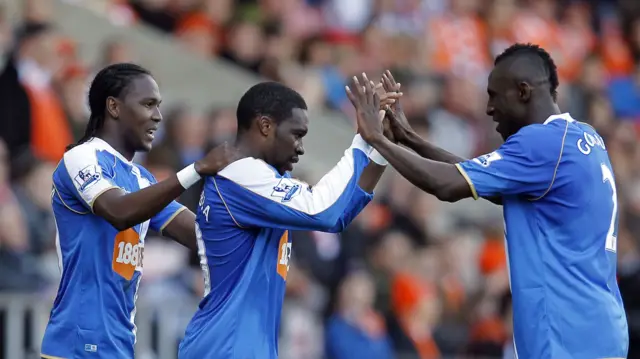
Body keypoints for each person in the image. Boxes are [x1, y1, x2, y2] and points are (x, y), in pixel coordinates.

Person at [356, 44, 628, 359]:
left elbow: (446, 184)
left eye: (495, 95)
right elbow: (473, 177)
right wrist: (409, 138)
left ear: (523, 92)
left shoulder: (542, 143)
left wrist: (376, 137)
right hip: (599, 328)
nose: (488, 109)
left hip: (566, 334)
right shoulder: (583, 138)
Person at [178, 79, 398, 359]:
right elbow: (324, 211)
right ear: (265, 126)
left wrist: (380, 146)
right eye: (296, 134)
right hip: (225, 347)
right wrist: (361, 139)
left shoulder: (264, 180)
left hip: (243, 347)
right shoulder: (242, 175)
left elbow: (339, 216)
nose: (301, 147)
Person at [41, 63, 240, 359]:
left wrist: (257, 215)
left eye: (159, 106)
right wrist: (196, 169)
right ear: (114, 107)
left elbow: (201, 235)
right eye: (148, 104)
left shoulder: (141, 179)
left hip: (119, 347)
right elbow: (119, 211)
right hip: (76, 345)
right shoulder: (82, 157)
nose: (157, 116)